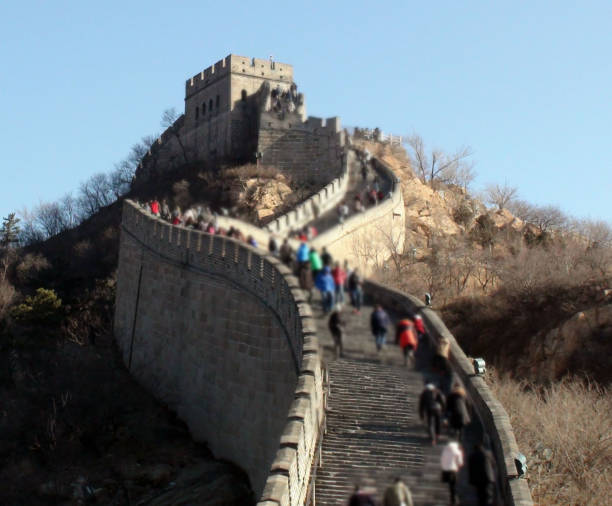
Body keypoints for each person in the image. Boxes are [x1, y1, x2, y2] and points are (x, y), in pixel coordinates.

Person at [440, 439, 464, 506]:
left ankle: (452, 500)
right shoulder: (457, 451)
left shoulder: (445, 450)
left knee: (451, 486)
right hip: (453, 471)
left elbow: (442, 460)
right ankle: (455, 500)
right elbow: (460, 462)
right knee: (454, 486)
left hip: (446, 471)